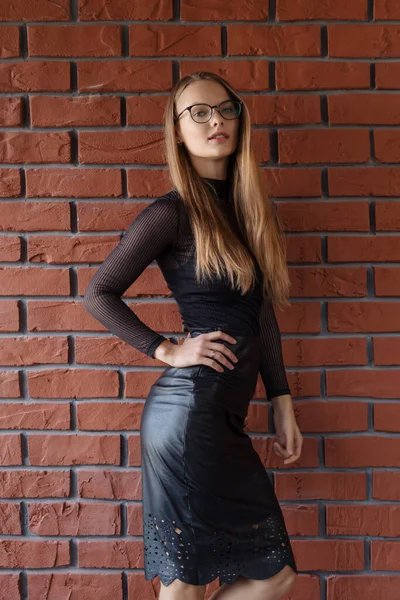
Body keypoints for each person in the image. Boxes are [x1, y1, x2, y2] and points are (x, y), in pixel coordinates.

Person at [83, 71, 303, 600]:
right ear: (178, 132)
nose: (215, 121)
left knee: (273, 576)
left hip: (223, 418)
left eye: (225, 109)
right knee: (184, 584)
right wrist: (167, 348)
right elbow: (98, 293)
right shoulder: (172, 214)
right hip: (187, 417)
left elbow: (261, 314)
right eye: (198, 113)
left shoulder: (250, 211)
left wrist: (282, 400)